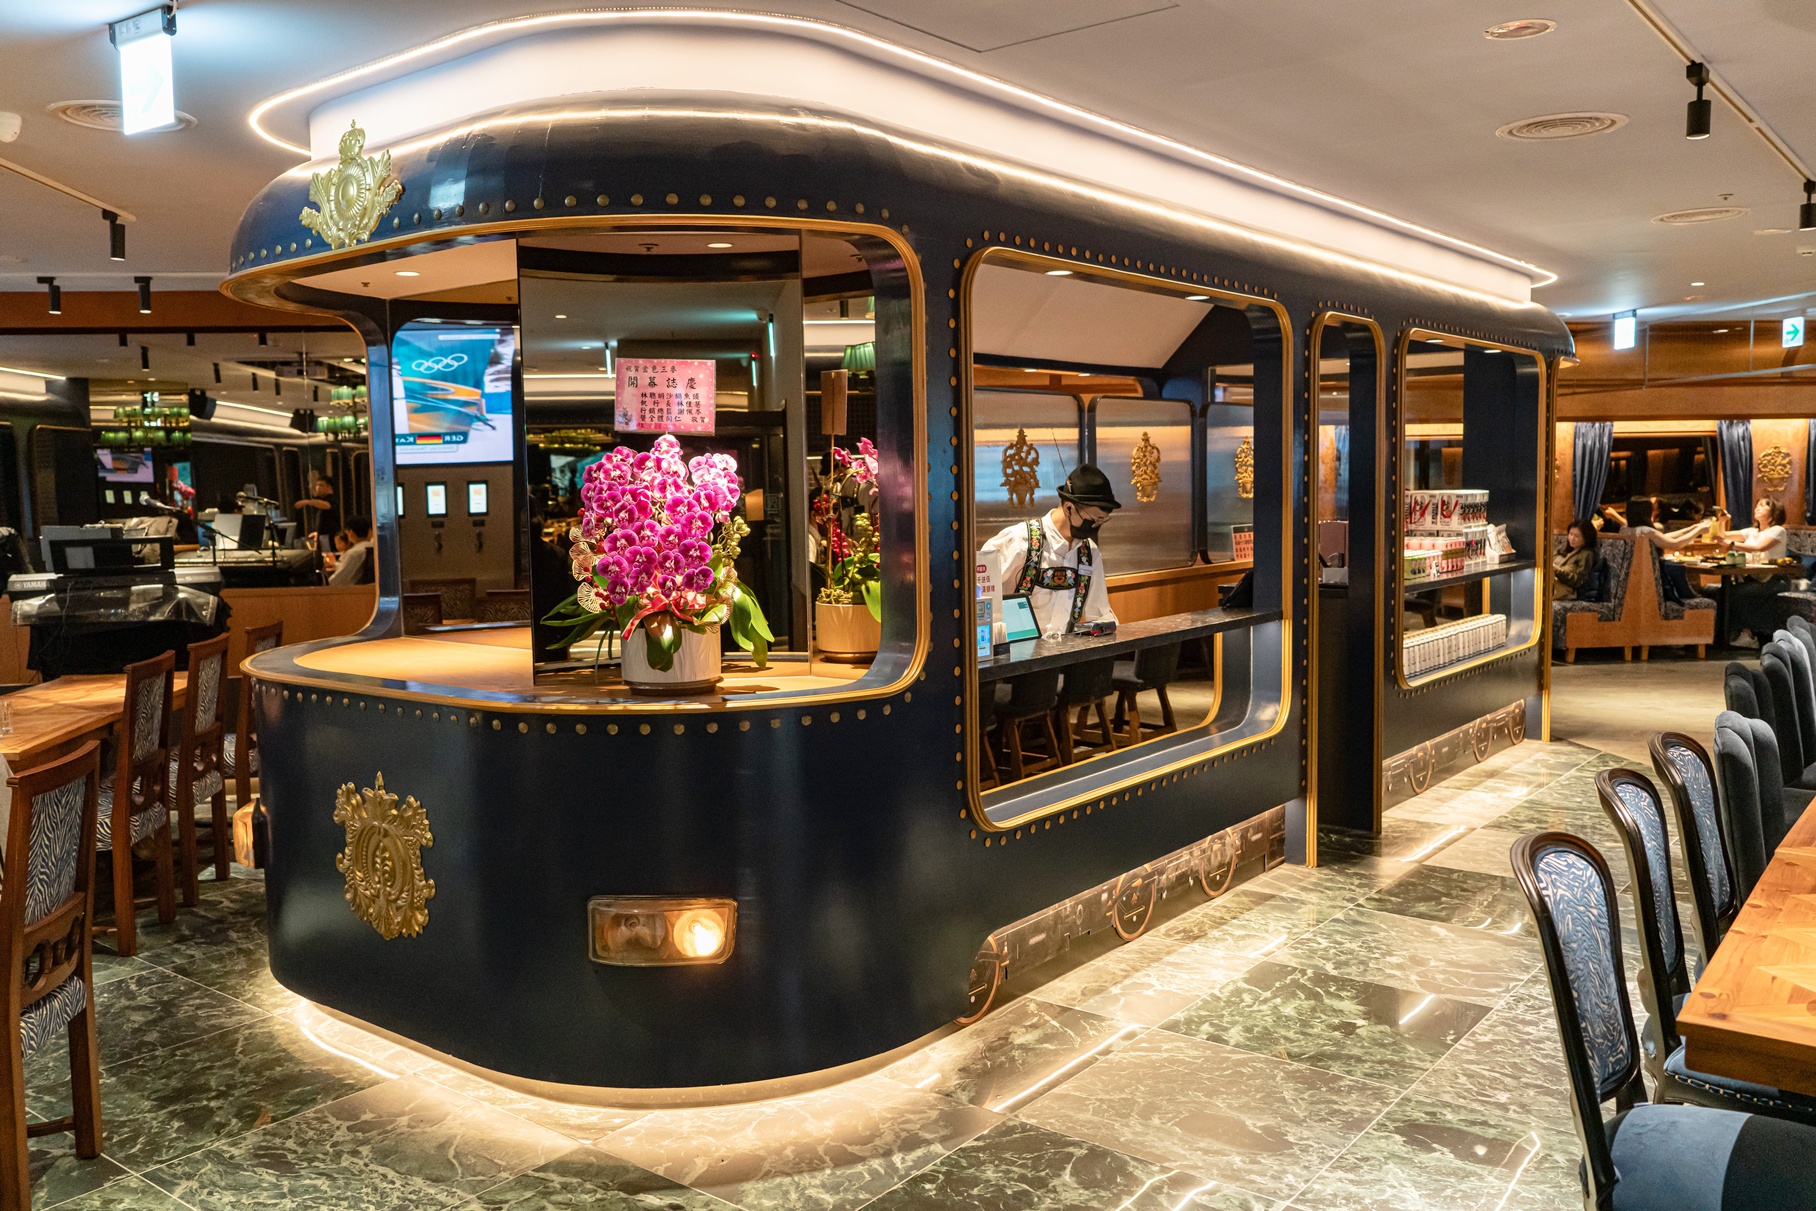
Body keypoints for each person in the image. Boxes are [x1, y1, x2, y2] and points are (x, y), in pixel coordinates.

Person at [979, 465, 1121, 638]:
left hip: (1065, 652)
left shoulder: (1089, 553)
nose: (1095, 527)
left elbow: (1099, 613)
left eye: (1101, 521)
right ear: (1069, 508)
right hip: (1015, 650)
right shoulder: (1019, 541)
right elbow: (980, 597)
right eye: (1093, 519)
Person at [1620, 497, 1709, 553]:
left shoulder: (1625, 529)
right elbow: (1675, 544)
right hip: (1646, 573)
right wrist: (1698, 531)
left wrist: (1690, 529)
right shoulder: (1645, 530)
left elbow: (1663, 537)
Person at [1720, 496, 1789, 563]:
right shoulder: (1752, 531)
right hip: (1751, 569)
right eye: (1756, 506)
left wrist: (1731, 544)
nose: (1757, 509)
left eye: (1762, 506)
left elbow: (1758, 549)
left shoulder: (1778, 530)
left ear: (1774, 510)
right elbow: (1723, 536)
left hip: (1770, 570)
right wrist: (1722, 521)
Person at [1553, 518, 1599, 601]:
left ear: (1586, 538)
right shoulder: (1564, 548)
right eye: (1570, 534)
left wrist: (1556, 570)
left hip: (1565, 589)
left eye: (1577, 536)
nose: (1572, 538)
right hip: (1553, 583)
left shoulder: (1586, 554)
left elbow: (1578, 582)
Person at [294, 475, 340, 551]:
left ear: (329, 487)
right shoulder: (323, 500)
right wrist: (317, 532)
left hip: (329, 537)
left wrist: (308, 502)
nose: (318, 488)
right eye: (317, 485)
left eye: (321, 485)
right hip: (322, 536)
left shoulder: (332, 498)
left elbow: (327, 505)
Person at [328, 515, 374, 586]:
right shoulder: (372, 547)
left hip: (354, 590)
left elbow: (337, 580)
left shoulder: (354, 553)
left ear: (351, 532)